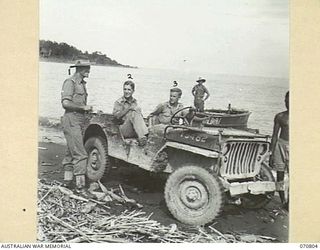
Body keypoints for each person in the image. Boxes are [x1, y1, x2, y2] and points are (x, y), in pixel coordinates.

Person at [60, 59, 94, 198]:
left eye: (88, 67)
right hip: (72, 119)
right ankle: (80, 187)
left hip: (78, 120)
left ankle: (67, 182)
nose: (89, 70)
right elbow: (65, 103)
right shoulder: (70, 82)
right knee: (80, 154)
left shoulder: (82, 84)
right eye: (86, 68)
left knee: (70, 152)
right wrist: (83, 108)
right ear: (79, 69)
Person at [113, 80, 148, 146]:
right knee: (134, 113)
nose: (126, 91)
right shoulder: (119, 102)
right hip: (122, 129)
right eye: (125, 89)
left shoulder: (134, 101)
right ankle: (142, 136)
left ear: (133, 91)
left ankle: (145, 135)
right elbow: (116, 117)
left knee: (138, 110)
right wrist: (129, 109)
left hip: (133, 128)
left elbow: (138, 117)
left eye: (129, 90)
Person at [270, 91, 289, 209]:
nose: (288, 103)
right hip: (280, 145)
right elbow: (274, 135)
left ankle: (291, 202)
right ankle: (283, 201)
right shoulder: (280, 116)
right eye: (286, 101)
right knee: (280, 174)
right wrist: (271, 153)